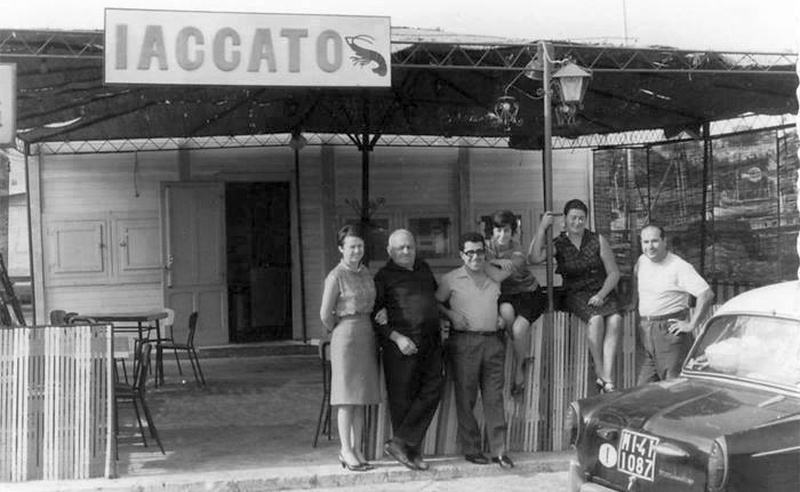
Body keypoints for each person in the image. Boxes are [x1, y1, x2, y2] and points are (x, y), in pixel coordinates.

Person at [435, 232, 515, 469]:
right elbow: (435, 302)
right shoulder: (450, 279)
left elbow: (505, 302)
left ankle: (499, 451)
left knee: (493, 398)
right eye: (470, 252)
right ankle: (472, 449)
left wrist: (501, 316)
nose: (475, 257)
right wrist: (450, 315)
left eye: (480, 251)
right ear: (462, 254)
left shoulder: (494, 278)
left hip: (493, 342)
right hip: (464, 344)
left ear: (485, 252)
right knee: (466, 397)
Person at [530, 199, 622, 394]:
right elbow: (535, 257)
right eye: (573, 218)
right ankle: (600, 370)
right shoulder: (559, 243)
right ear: (565, 219)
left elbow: (614, 273)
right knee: (596, 319)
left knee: (615, 319)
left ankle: (608, 375)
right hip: (576, 293)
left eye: (581, 218)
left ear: (586, 219)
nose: (578, 222)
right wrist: (541, 229)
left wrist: (601, 294)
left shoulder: (597, 240)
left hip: (601, 290)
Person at [373, 229, 444, 471]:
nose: (406, 251)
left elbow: (433, 298)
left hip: (431, 343)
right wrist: (397, 337)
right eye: (400, 248)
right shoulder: (383, 276)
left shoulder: (423, 267)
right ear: (390, 252)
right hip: (402, 347)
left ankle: (400, 443)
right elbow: (375, 317)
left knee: (435, 387)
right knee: (403, 399)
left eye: (409, 247)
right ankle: (410, 453)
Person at [319, 224, 381, 472]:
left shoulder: (366, 272)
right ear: (340, 249)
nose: (356, 251)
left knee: (361, 396)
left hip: (366, 334)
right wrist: (341, 329)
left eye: (360, 246)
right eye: (351, 247)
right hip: (345, 336)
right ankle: (345, 450)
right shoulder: (336, 276)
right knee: (346, 397)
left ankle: (357, 448)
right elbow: (325, 314)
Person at [633, 224, 714, 384]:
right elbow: (637, 277)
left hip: (669, 332)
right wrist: (632, 301)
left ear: (664, 241)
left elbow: (706, 293)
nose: (650, 246)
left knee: (674, 387)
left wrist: (691, 324)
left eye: (655, 241)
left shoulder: (679, 266)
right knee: (642, 391)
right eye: (646, 242)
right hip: (645, 332)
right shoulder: (642, 261)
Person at [485, 210, 547, 398]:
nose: (502, 235)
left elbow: (496, 275)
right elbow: (472, 257)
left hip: (529, 293)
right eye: (498, 231)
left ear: (513, 233)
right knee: (505, 311)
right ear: (492, 232)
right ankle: (520, 348)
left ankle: (519, 368)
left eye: (506, 231)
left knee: (519, 329)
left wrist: (489, 262)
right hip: (507, 295)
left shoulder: (518, 251)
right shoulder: (486, 247)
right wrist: (496, 260)